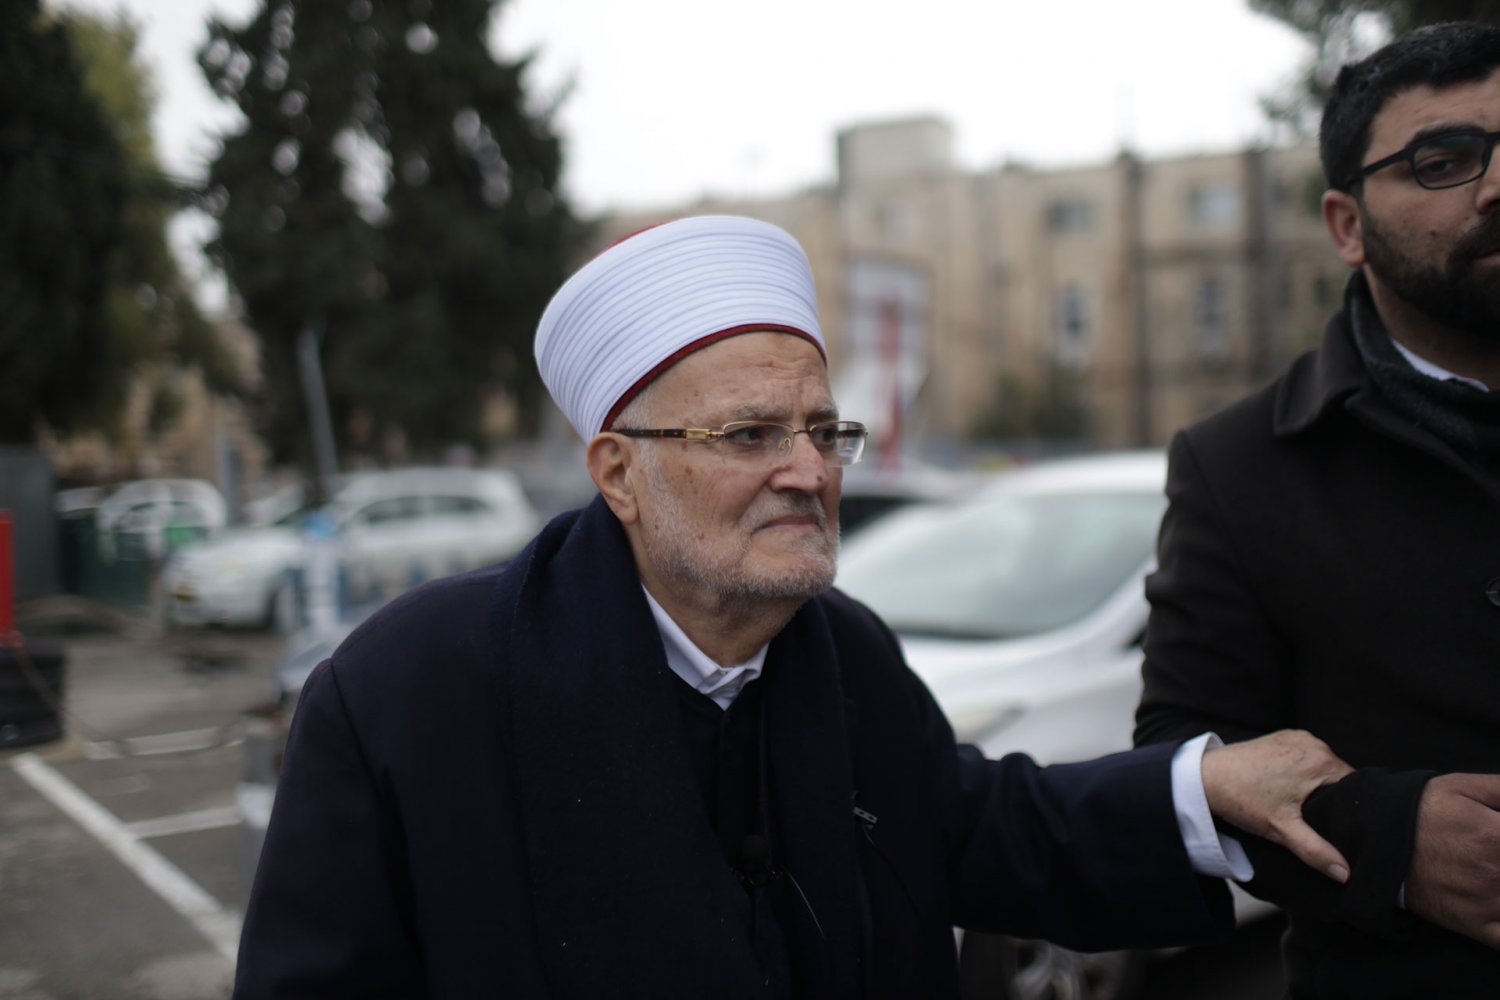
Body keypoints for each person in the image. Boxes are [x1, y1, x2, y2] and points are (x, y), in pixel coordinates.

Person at [235, 215, 1350, 999]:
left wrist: (1202, 789)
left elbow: (990, 830)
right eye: (750, 435)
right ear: (618, 472)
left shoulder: (844, 653)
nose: (810, 472)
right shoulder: (408, 691)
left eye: (823, 431)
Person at [1134, 20, 1500, 999]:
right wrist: (1391, 841)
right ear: (1346, 225)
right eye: (1445, 160)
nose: (1497, 184)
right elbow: (1183, 764)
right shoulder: (1240, 466)